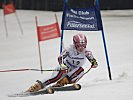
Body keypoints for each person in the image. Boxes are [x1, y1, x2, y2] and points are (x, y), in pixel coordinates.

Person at [26, 33, 98, 92]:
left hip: (74, 70)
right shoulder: (69, 48)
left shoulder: (86, 51)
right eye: (79, 46)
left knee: (81, 70)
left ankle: (61, 83)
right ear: (75, 44)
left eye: (83, 45)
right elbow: (60, 57)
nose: (81, 48)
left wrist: (94, 63)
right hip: (65, 67)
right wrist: (63, 66)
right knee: (55, 77)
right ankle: (37, 86)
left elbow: (92, 59)